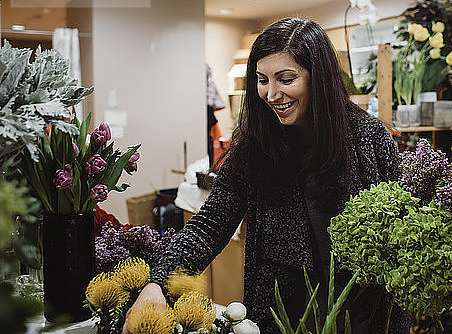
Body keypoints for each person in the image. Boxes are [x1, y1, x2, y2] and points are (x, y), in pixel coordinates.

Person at [123, 17, 410, 334]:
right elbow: (209, 226)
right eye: (262, 80)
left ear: (320, 78)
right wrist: (158, 283)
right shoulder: (256, 147)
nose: (271, 94)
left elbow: (403, 231)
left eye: (286, 79)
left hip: (362, 316)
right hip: (282, 317)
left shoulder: (367, 139)